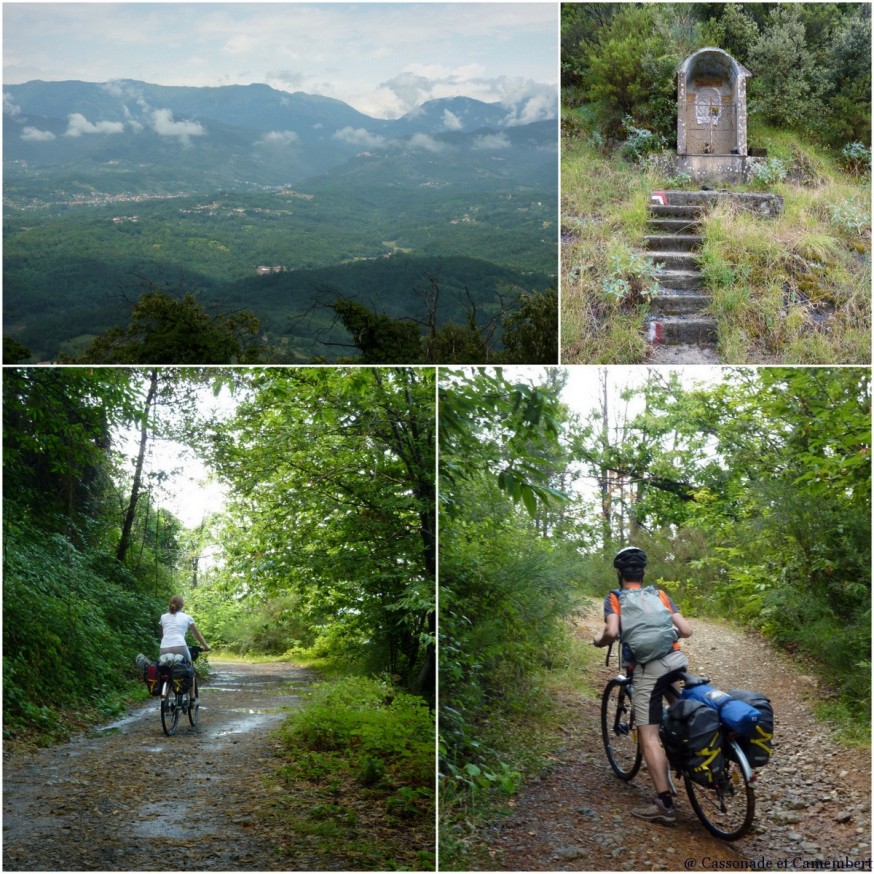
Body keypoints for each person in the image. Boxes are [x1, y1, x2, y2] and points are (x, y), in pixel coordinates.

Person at [593, 547, 693, 825]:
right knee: (681, 710)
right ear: (643, 573)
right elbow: (686, 631)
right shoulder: (659, 594)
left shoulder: (615, 597)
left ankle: (664, 803)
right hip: (675, 660)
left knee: (648, 734)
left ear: (620, 575)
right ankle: (691, 747)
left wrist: (597, 640)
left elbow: (612, 633)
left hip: (647, 669)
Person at [159, 595, 210, 704]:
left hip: (164, 647)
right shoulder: (187, 617)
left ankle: (165, 697)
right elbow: (198, 636)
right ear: (182, 606)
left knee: (167, 670)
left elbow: (162, 634)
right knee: (189, 669)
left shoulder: (163, 617)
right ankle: (192, 700)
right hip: (180, 646)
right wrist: (206, 647)